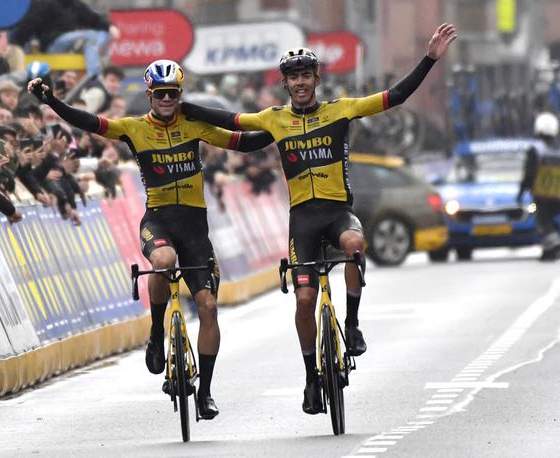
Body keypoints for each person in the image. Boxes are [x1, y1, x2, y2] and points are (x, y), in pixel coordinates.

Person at [181, 23, 457, 415]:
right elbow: (230, 120)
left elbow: (395, 97)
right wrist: (184, 109)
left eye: (305, 75)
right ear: (285, 83)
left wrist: (429, 59)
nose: (300, 83)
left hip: (338, 213)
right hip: (303, 222)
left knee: (355, 245)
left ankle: (353, 323)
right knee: (305, 299)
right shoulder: (274, 119)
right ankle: (312, 377)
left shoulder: (340, 111)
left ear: (316, 78)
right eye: (293, 77)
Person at [28, 59, 273, 420]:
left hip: (195, 228)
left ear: (180, 94)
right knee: (162, 261)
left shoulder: (195, 125)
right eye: (160, 94)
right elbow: (90, 122)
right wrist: (52, 103)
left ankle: (204, 392)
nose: (167, 99)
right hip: (158, 221)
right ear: (149, 95)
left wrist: (283, 127)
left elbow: (243, 143)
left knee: (207, 307)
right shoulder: (134, 128)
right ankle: (157, 333)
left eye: (173, 93)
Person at [9, 0, 119, 76]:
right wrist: (16, 43)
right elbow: (29, 24)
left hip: (69, 41)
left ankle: (91, 54)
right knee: (90, 36)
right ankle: (94, 76)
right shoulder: (45, 3)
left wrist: (109, 27)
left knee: (103, 34)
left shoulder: (75, 5)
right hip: (53, 45)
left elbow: (92, 18)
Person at [517, 112, 560, 261]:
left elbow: (529, 173)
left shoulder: (536, 150)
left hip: (538, 198)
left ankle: (557, 244)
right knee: (549, 222)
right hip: (557, 197)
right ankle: (548, 251)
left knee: (537, 220)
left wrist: (521, 192)